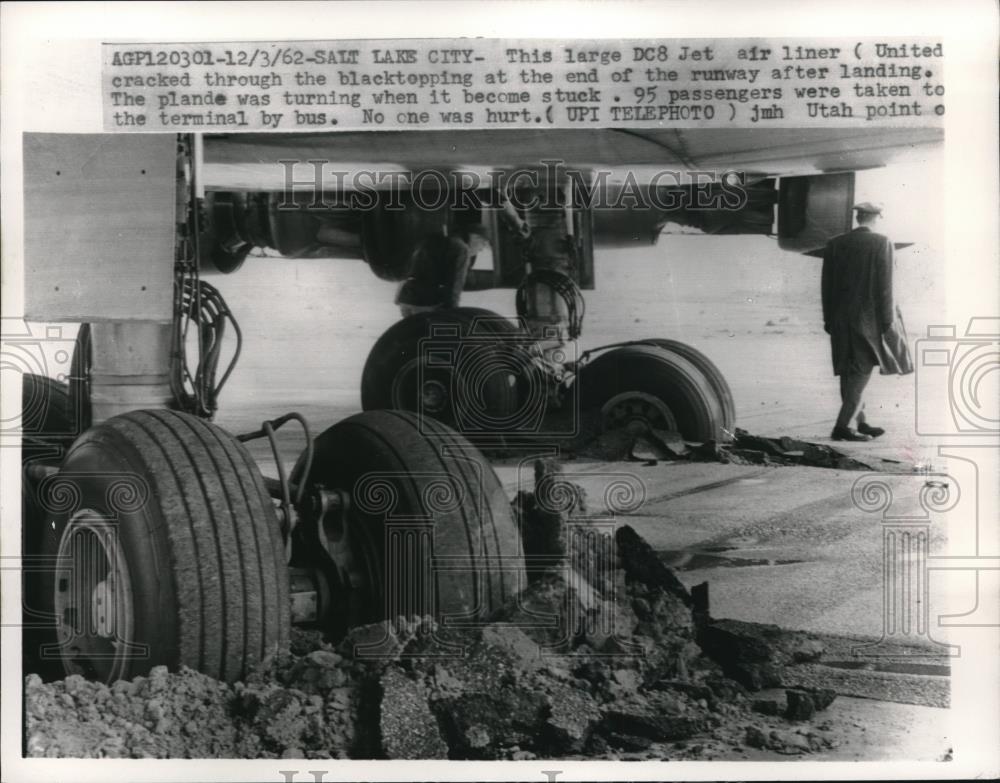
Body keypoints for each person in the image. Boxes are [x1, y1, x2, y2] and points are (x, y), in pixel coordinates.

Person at [821, 202, 911, 442]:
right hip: (869, 322)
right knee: (860, 376)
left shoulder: (835, 244)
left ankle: (861, 422)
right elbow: (886, 287)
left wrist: (829, 320)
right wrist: (888, 322)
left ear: (858, 217)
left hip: (840, 321)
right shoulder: (882, 242)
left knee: (848, 374)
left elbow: (826, 287)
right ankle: (842, 427)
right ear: (876, 218)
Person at [395, 225, 490, 318]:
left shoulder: (434, 240)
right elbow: (455, 284)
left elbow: (409, 268)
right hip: (426, 302)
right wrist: (452, 312)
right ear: (475, 237)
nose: (481, 249)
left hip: (405, 298)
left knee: (413, 332)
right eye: (483, 243)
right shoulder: (461, 248)